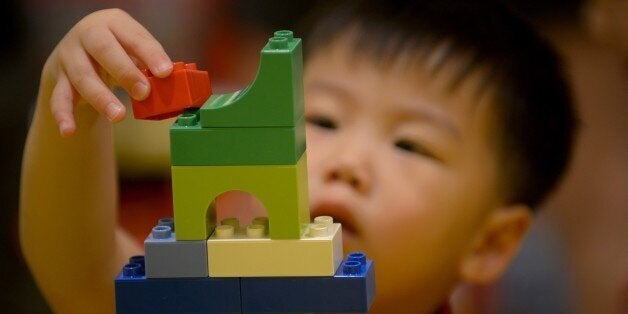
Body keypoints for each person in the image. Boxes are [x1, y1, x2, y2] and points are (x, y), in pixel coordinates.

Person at [19, 1, 577, 313]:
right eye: (323, 120)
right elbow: (86, 275)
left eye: (412, 144)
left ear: (489, 243)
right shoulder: (219, 294)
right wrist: (70, 106)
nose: (347, 162)